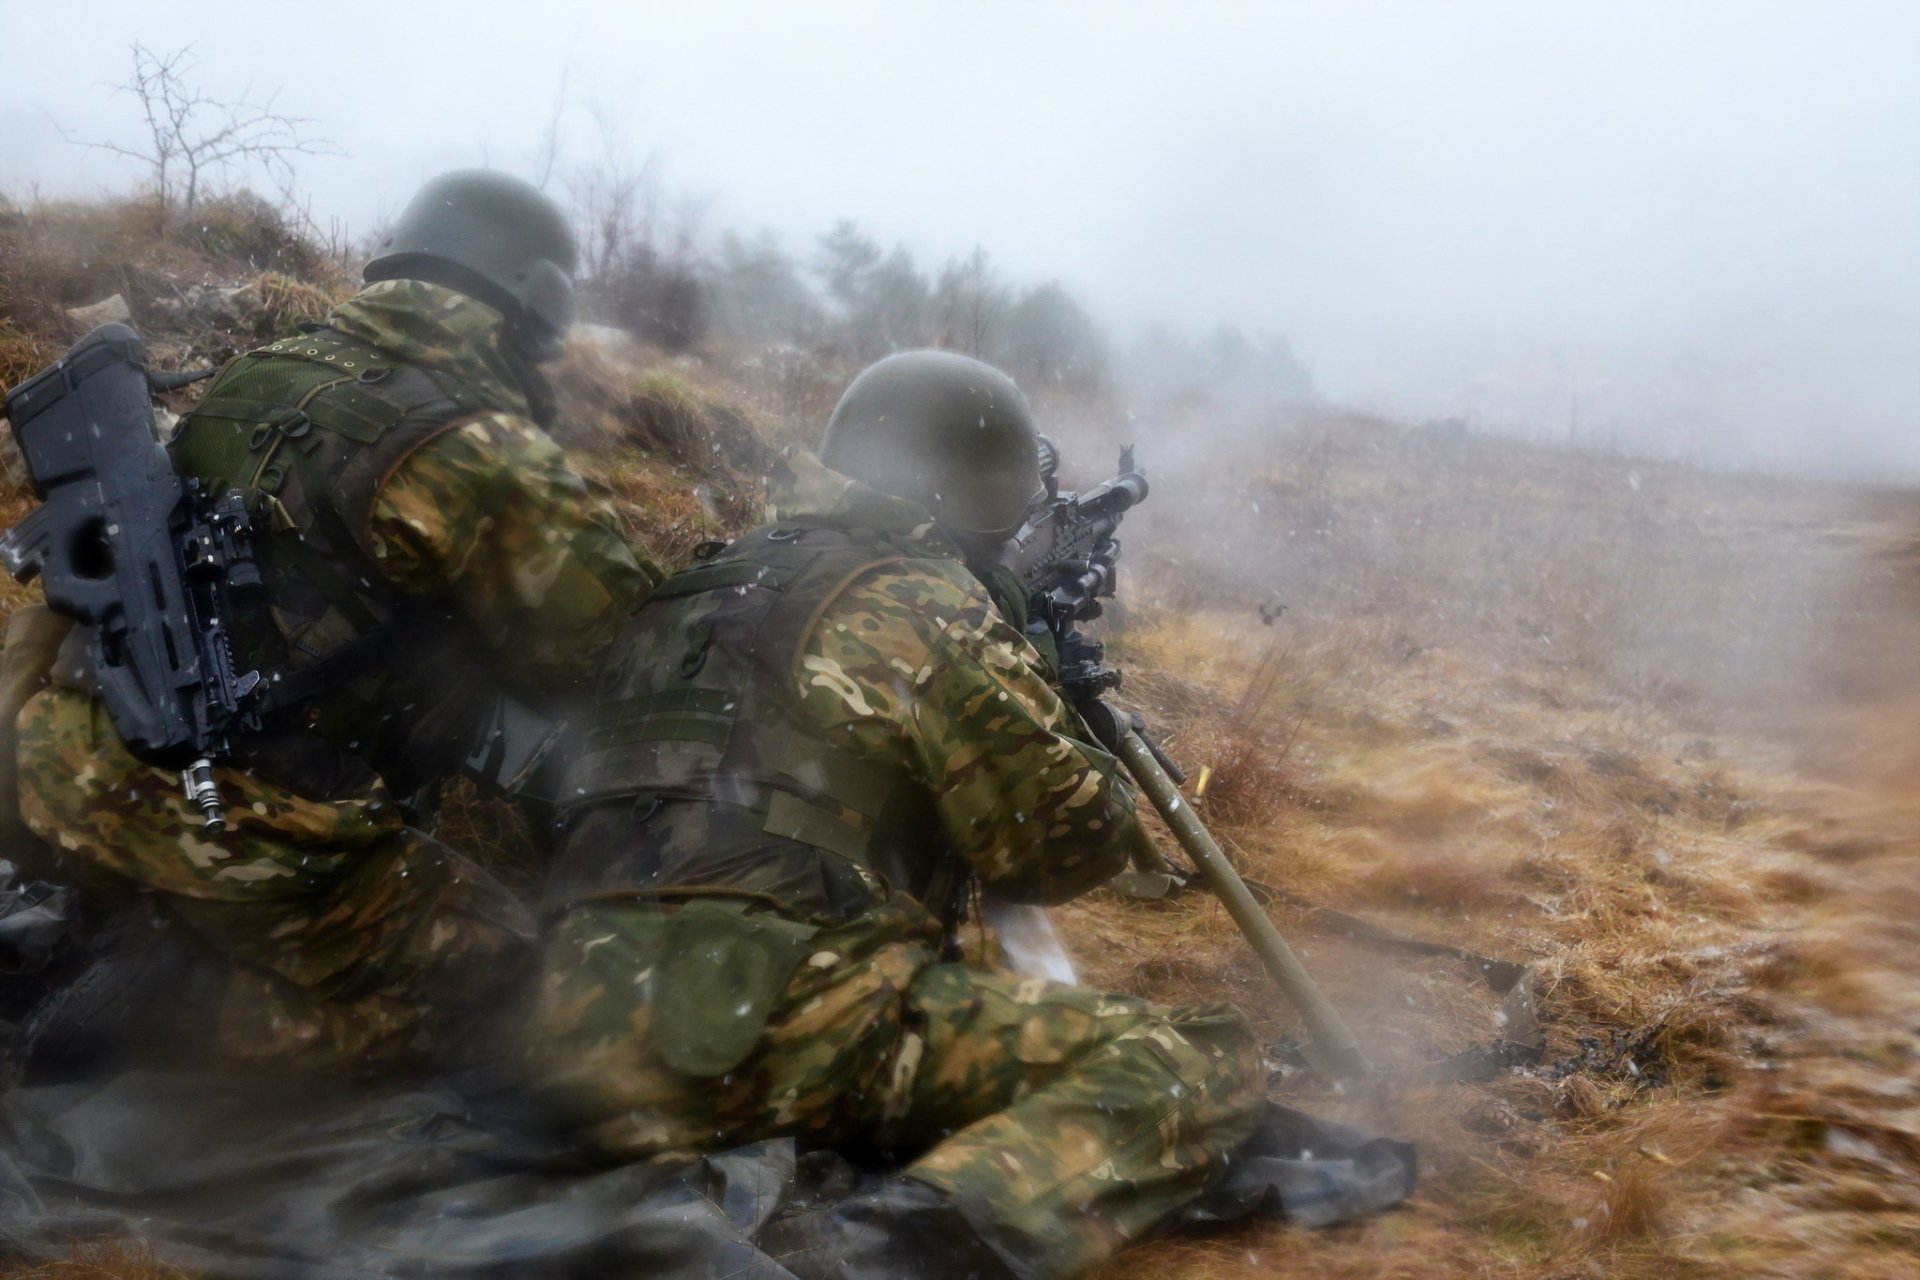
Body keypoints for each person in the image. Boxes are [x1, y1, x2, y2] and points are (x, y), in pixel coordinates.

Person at [524, 351, 1266, 1279]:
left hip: (569, 1025)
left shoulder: (700, 583)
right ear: (983, 491)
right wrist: (1032, 672)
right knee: (1199, 1058)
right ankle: (891, 1251)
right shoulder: (922, 603)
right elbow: (1060, 850)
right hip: (769, 1028)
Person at [10, 170, 662, 1076]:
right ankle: (186, 1013)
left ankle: (110, 918)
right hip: (236, 825)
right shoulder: (477, 447)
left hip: (70, 762)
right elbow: (614, 655)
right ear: (531, 306)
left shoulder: (264, 369)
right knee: (512, 977)